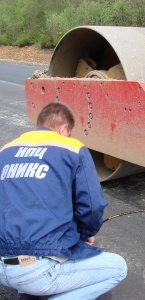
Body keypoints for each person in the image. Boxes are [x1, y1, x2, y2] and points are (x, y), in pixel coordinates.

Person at [0, 102, 127, 300]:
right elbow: (91, 206)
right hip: (37, 270)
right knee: (118, 267)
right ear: (64, 128)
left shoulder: (6, 151)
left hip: (4, 267)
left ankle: (28, 290)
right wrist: (85, 234)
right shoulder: (72, 148)